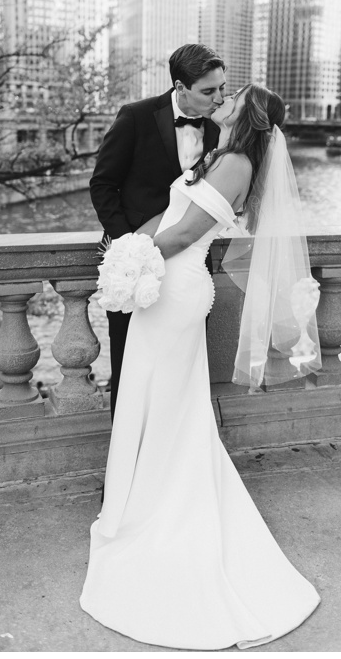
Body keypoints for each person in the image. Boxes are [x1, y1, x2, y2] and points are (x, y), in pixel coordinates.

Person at [80, 84, 321, 649]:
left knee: (165, 404)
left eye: (232, 96)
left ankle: (168, 516)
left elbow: (188, 234)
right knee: (161, 400)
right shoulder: (219, 153)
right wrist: (127, 247)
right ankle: (149, 500)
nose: (224, 99)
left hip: (179, 287)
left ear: (249, 113)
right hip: (165, 283)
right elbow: (170, 213)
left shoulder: (236, 160)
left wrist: (135, 260)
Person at [89, 44, 226, 412]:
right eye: (209, 91)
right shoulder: (136, 116)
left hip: (191, 268)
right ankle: (129, 451)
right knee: (130, 362)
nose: (219, 98)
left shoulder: (219, 131)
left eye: (222, 88)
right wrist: (128, 248)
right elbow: (103, 184)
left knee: (181, 363)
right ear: (181, 88)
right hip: (132, 266)